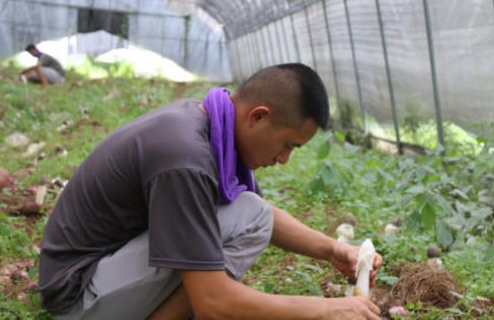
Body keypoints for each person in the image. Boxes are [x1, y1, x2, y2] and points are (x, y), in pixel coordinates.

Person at [38, 63, 383, 320]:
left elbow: (259, 214)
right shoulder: (184, 157)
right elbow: (213, 303)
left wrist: (334, 249)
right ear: (259, 117)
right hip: (80, 297)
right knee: (245, 226)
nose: (283, 159)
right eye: (287, 145)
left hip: (100, 272)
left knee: (252, 213)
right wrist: (327, 310)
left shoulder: (208, 122)